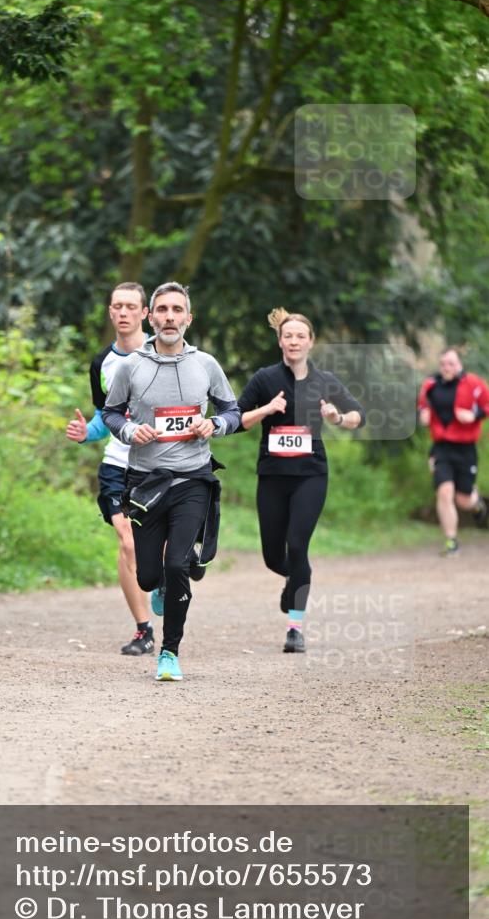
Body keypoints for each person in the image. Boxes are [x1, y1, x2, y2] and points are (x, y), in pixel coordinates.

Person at [102, 281, 242, 682]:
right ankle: (162, 581)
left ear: (188, 318)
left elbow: (232, 410)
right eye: (162, 310)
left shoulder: (206, 365)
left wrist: (214, 424)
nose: (169, 317)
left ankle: (169, 651)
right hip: (146, 483)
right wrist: (129, 433)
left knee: (178, 562)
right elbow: (112, 413)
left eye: (176, 310)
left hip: (192, 479)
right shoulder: (132, 366)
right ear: (151, 317)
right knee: (148, 575)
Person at [238, 307, 366, 653]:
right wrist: (266, 410)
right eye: (288, 335)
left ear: (310, 342)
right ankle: (297, 578)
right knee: (272, 557)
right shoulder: (265, 379)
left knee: (297, 546)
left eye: (300, 336)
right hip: (273, 477)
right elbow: (237, 419)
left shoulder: (324, 381)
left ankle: (295, 629)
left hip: (311, 475)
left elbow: (359, 415)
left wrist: (336, 415)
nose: (294, 341)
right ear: (280, 341)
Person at [66, 282, 156, 656]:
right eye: (117, 306)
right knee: (128, 542)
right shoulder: (101, 363)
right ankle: (144, 629)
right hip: (118, 465)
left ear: (144, 313)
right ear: (110, 311)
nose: (123, 312)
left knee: (160, 549)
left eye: (131, 306)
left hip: (161, 466)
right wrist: (87, 432)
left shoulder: (165, 354)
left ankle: (166, 579)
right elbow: (107, 416)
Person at [418, 348, 488, 555]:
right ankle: (451, 541)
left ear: (459, 364)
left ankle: (477, 504)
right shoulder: (430, 385)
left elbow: (487, 405)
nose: (447, 368)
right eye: (443, 364)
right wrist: (423, 414)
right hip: (441, 448)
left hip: (466, 448)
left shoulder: (474, 384)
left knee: (463, 500)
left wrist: (474, 415)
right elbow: (422, 406)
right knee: (444, 491)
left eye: (451, 364)